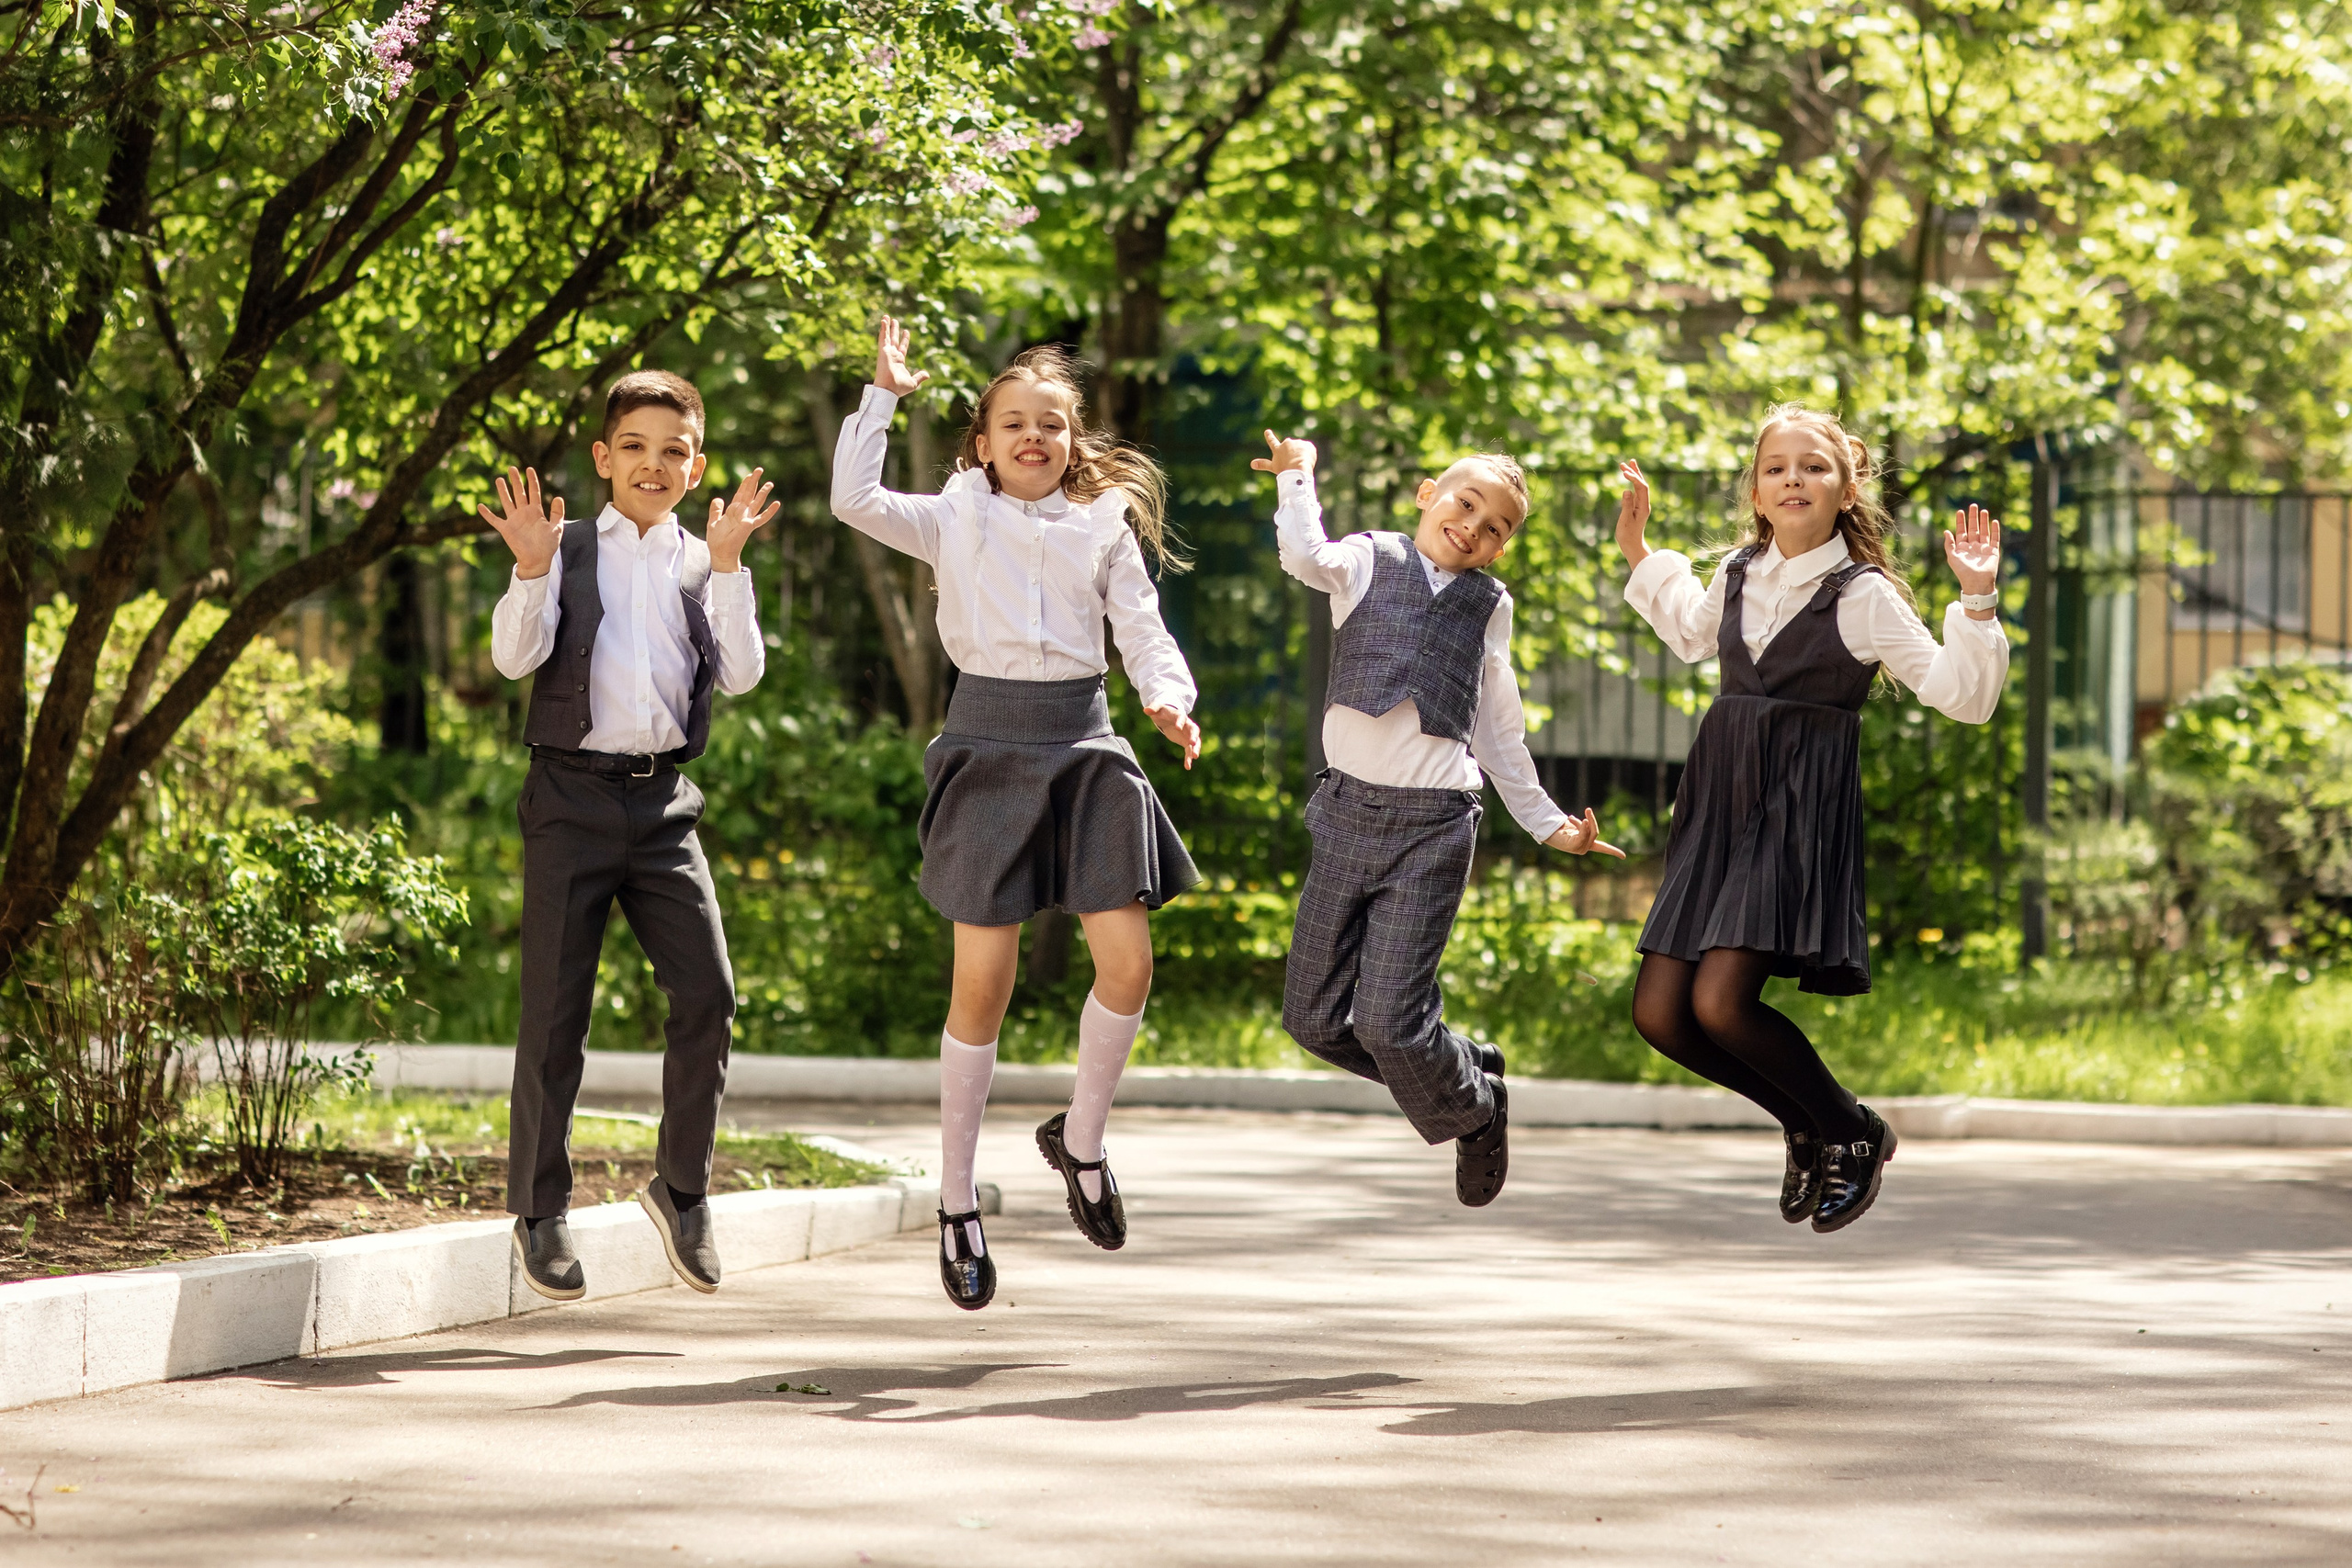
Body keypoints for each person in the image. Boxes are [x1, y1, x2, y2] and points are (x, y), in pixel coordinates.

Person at [831, 320, 1203, 1311]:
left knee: (1128, 965)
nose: (1031, 436)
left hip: (1084, 750)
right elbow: (850, 499)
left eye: (1049, 424)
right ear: (982, 443)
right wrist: (882, 399)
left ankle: (1079, 1140)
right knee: (982, 989)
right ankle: (956, 1200)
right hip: (988, 746)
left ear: (1072, 444)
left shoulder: (1102, 528)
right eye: (1011, 423)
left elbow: (1143, 631)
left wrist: (1169, 700)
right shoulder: (951, 517)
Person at [1616, 403, 2007, 1231]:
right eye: (1777, 467)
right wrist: (1640, 555)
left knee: (1722, 1003)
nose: (1794, 477)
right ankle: (1807, 1118)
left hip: (1795, 809)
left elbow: (1961, 697)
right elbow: (1690, 635)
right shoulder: (1733, 573)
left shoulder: (1862, 595)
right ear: (1757, 491)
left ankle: (1851, 1130)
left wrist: (1977, 601)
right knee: (1660, 1013)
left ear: (1846, 486)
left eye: (1814, 466)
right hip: (1720, 807)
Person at [1257, 430, 1623, 1209]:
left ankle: (1474, 1110)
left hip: (1434, 825)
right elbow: (1303, 556)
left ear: (1499, 549)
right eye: (1466, 502)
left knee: (1389, 1021)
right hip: (1346, 813)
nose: (1475, 526)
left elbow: (1497, 729)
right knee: (1313, 1019)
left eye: (1496, 527)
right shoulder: (1364, 558)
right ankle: (1463, 1071)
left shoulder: (1491, 605)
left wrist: (1548, 821)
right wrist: (1297, 479)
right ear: (1428, 494)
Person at [478, 369, 778, 1301]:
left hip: (662, 810)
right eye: (636, 448)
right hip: (567, 799)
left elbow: (740, 677)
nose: (655, 464)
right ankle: (539, 1211)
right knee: (554, 1015)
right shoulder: (561, 548)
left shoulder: (706, 559)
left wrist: (728, 567)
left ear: (697, 465)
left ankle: (681, 1191)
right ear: (605, 458)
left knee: (710, 994)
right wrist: (529, 568)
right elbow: (513, 657)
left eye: (674, 450)